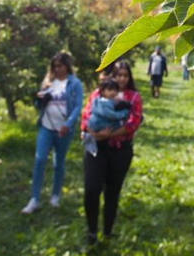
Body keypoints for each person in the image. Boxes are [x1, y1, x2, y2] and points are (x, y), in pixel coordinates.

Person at [81, 60, 143, 245]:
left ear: (129, 77)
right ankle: (92, 230)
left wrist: (110, 134)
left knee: (112, 192)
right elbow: (86, 116)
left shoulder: (133, 97)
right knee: (92, 189)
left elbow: (133, 122)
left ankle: (107, 230)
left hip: (120, 150)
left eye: (125, 75)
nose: (122, 79)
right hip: (96, 149)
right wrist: (94, 134)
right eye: (118, 75)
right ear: (112, 76)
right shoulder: (97, 94)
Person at [21, 52, 84, 214]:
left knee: (58, 162)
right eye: (54, 66)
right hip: (46, 126)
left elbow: (77, 106)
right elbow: (38, 104)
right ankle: (35, 198)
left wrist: (69, 124)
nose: (57, 69)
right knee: (40, 159)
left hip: (63, 130)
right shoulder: (48, 82)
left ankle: (55, 195)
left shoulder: (74, 83)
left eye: (60, 66)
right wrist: (40, 100)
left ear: (67, 67)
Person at [82, 79, 131, 157]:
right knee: (119, 124)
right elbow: (112, 115)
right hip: (100, 124)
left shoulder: (97, 100)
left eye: (115, 90)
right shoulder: (106, 104)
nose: (113, 92)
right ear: (102, 91)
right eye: (110, 90)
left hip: (92, 123)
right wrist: (124, 113)